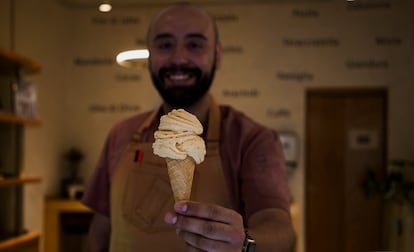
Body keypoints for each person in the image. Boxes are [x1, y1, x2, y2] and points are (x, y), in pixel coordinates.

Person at [82, 2, 295, 252]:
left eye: (194, 45)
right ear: (150, 57)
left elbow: (280, 229)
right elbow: (101, 229)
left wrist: (246, 244)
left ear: (217, 56)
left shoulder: (251, 139)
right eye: (164, 45)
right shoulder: (122, 134)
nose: (179, 58)